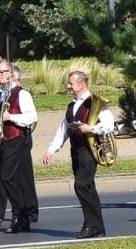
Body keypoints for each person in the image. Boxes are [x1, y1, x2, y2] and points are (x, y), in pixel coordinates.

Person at [43, 70, 111, 238]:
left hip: (90, 150)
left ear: (82, 84)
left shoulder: (94, 102)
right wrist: (51, 149)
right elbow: (63, 131)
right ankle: (95, 225)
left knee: (81, 185)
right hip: (76, 150)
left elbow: (110, 125)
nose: (68, 86)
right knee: (88, 188)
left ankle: (92, 225)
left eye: (71, 83)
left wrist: (91, 128)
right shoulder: (72, 105)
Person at [0, 60, 39, 232]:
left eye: (2, 72)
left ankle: (21, 214)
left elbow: (32, 117)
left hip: (16, 139)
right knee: (1, 179)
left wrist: (11, 117)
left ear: (11, 73)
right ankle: (19, 216)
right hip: (2, 140)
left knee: (8, 177)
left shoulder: (21, 94)